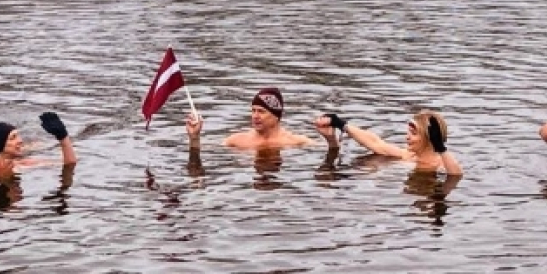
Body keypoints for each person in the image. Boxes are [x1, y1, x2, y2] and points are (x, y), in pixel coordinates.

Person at [316, 110, 464, 177]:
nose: (407, 137)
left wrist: (440, 147)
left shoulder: (440, 164)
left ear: (430, 137)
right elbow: (375, 142)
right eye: (408, 132)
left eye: (413, 133)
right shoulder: (407, 155)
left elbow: (456, 174)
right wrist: (339, 123)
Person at [187, 88, 336, 151]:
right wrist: (194, 137)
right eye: (253, 110)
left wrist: (331, 140)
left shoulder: (296, 142)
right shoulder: (237, 140)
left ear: (276, 116)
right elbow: (204, 150)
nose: (255, 116)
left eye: (261, 111)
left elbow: (332, 151)